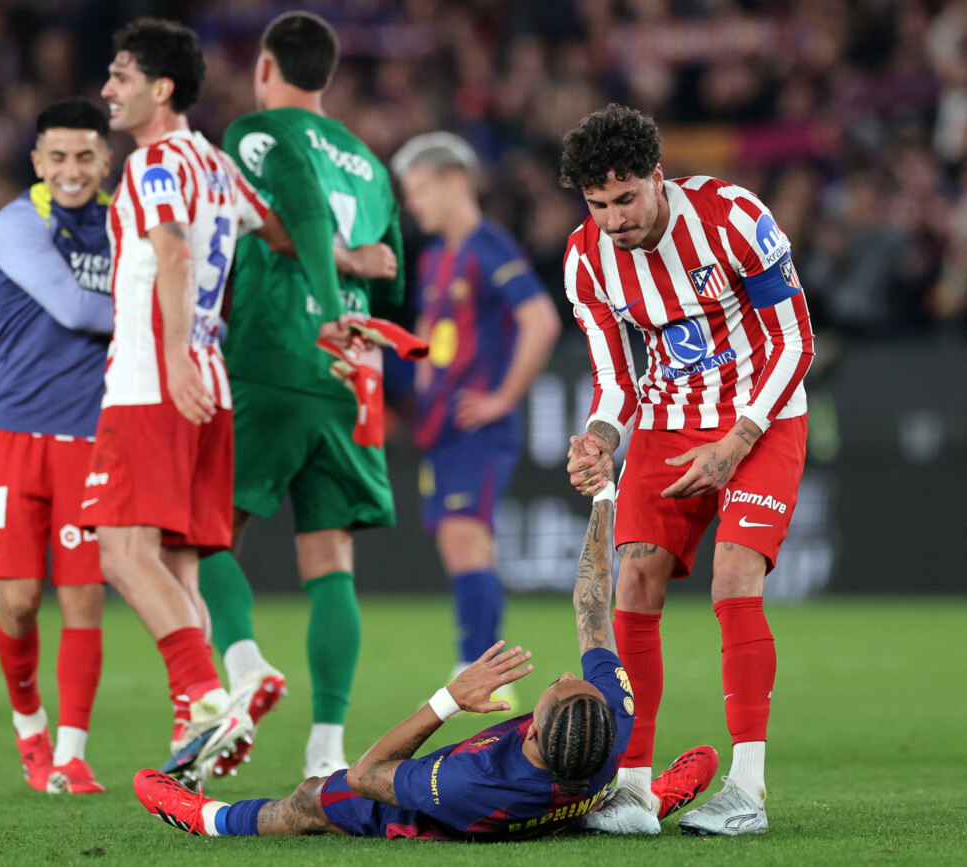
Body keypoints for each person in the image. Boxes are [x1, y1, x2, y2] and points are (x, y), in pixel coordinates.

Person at [133, 481, 717, 840]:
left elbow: (366, 774)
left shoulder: (473, 784)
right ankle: (647, 799)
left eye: (560, 687)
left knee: (318, 795)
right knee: (600, 800)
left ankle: (207, 818)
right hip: (574, 793)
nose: (568, 676)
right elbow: (593, 603)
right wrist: (604, 498)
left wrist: (449, 700)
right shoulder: (607, 721)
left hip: (451, 817)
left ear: (535, 728)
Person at [559, 104, 814, 835]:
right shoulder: (585, 260)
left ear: (657, 177)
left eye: (625, 198)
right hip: (670, 422)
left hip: (763, 413)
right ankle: (634, 790)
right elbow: (616, 381)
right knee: (634, 573)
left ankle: (746, 789)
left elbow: (796, 340)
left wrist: (737, 441)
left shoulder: (734, 217)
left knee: (735, 572)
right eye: (598, 204)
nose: (613, 219)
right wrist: (601, 436)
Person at [199, 10, 407, 780]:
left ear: (264, 68)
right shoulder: (370, 164)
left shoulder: (256, 136)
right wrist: (357, 330)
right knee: (331, 557)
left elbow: (305, 218)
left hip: (276, 352)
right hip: (351, 377)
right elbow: (396, 272)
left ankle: (245, 668)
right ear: (330, 74)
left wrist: (325, 307)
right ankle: (327, 751)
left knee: (203, 535)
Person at [85, 18, 289, 785]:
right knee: (178, 565)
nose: (108, 88)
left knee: (122, 553)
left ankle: (207, 695)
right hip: (212, 387)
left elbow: (170, 250)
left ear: (160, 88)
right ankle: (195, 731)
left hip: (153, 380)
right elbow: (277, 232)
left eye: (121, 74)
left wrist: (170, 359)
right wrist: (348, 261)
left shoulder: (156, 164)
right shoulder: (214, 162)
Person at [392, 131, 562, 704]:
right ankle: (478, 666)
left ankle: (484, 671)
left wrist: (502, 398)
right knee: (456, 543)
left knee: (468, 540)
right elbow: (428, 342)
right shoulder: (438, 257)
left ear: (454, 180)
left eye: (418, 190)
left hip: (476, 424)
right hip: (440, 426)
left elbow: (541, 320)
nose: (413, 204)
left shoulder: (489, 246)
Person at [0, 99, 116, 795]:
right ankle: (28, 721)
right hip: (13, 428)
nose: (71, 170)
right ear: (37, 161)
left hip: (91, 434)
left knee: (84, 595)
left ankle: (72, 751)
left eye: (84, 156)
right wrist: (158, 312)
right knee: (21, 600)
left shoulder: (125, 221)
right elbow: (73, 307)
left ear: (105, 159)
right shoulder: (17, 221)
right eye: (57, 157)